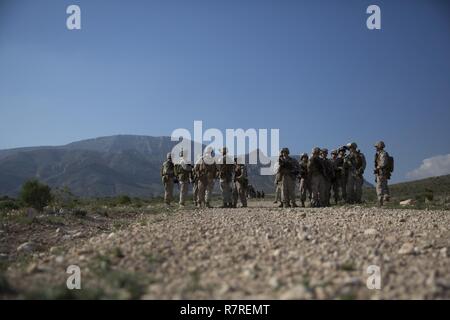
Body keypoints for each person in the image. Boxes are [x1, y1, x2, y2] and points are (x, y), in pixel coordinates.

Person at [374, 141, 391, 207]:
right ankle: (385, 201)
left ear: (380, 146)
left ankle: (380, 201)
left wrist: (378, 167)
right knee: (384, 186)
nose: (376, 148)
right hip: (381, 172)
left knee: (379, 187)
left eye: (377, 146)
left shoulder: (383, 154)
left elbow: (383, 163)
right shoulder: (379, 154)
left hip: (382, 172)